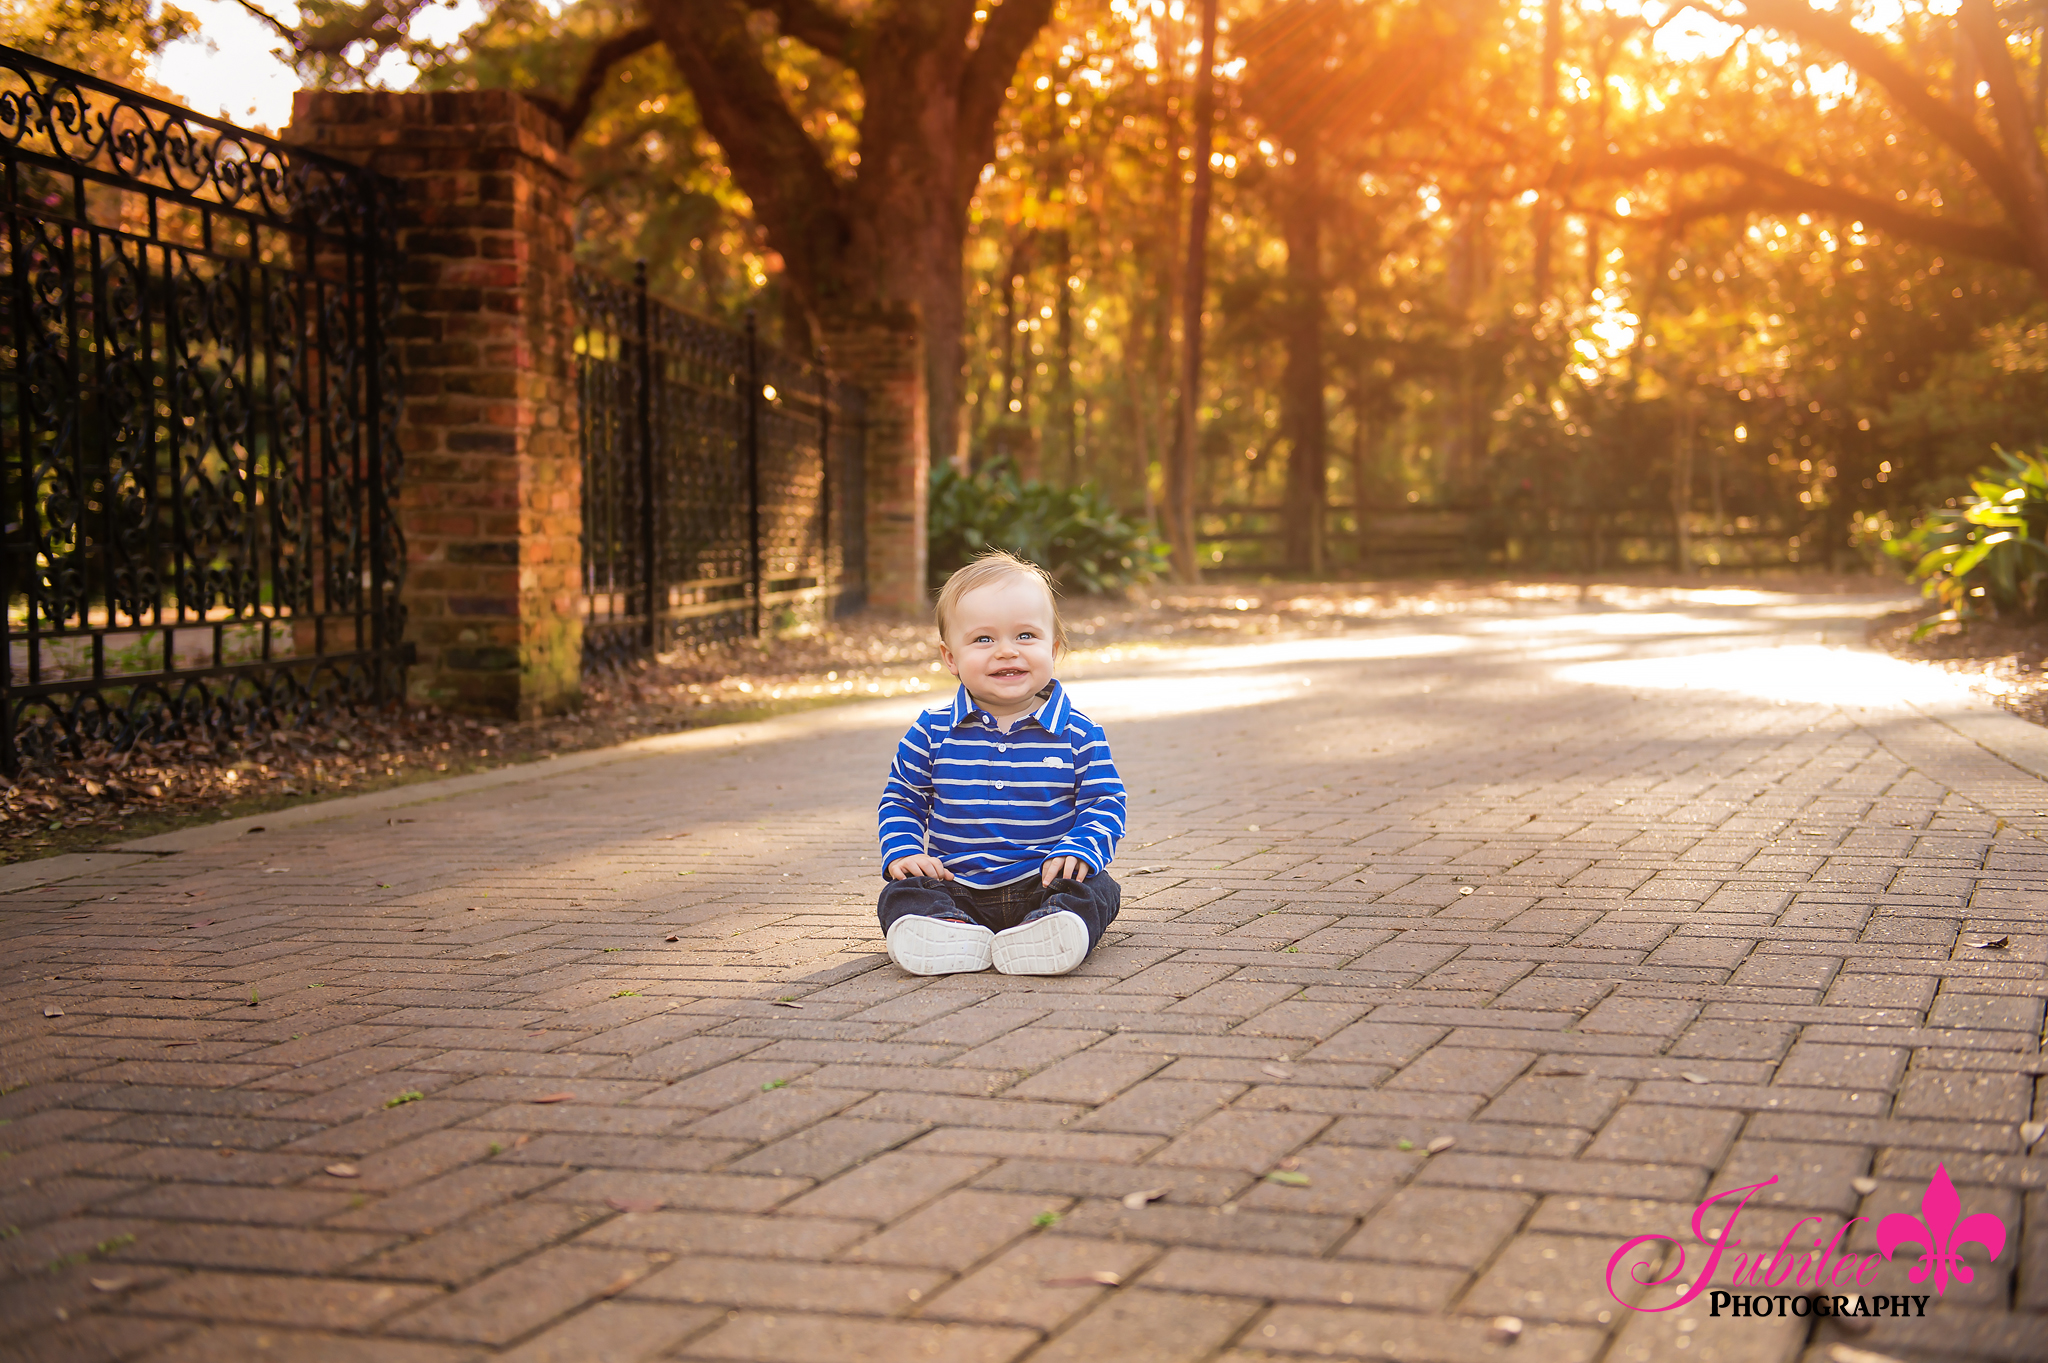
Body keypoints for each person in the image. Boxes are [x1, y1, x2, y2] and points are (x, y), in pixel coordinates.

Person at [875, 550, 1126, 976]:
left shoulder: (1078, 733)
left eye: (1025, 636)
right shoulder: (932, 731)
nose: (1006, 652)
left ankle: (1049, 931)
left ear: (1054, 647)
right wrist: (902, 853)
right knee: (900, 893)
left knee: (1097, 888)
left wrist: (1079, 849)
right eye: (983, 640)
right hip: (956, 886)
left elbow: (1105, 802)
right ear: (951, 658)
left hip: (1044, 882)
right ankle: (946, 930)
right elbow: (902, 798)